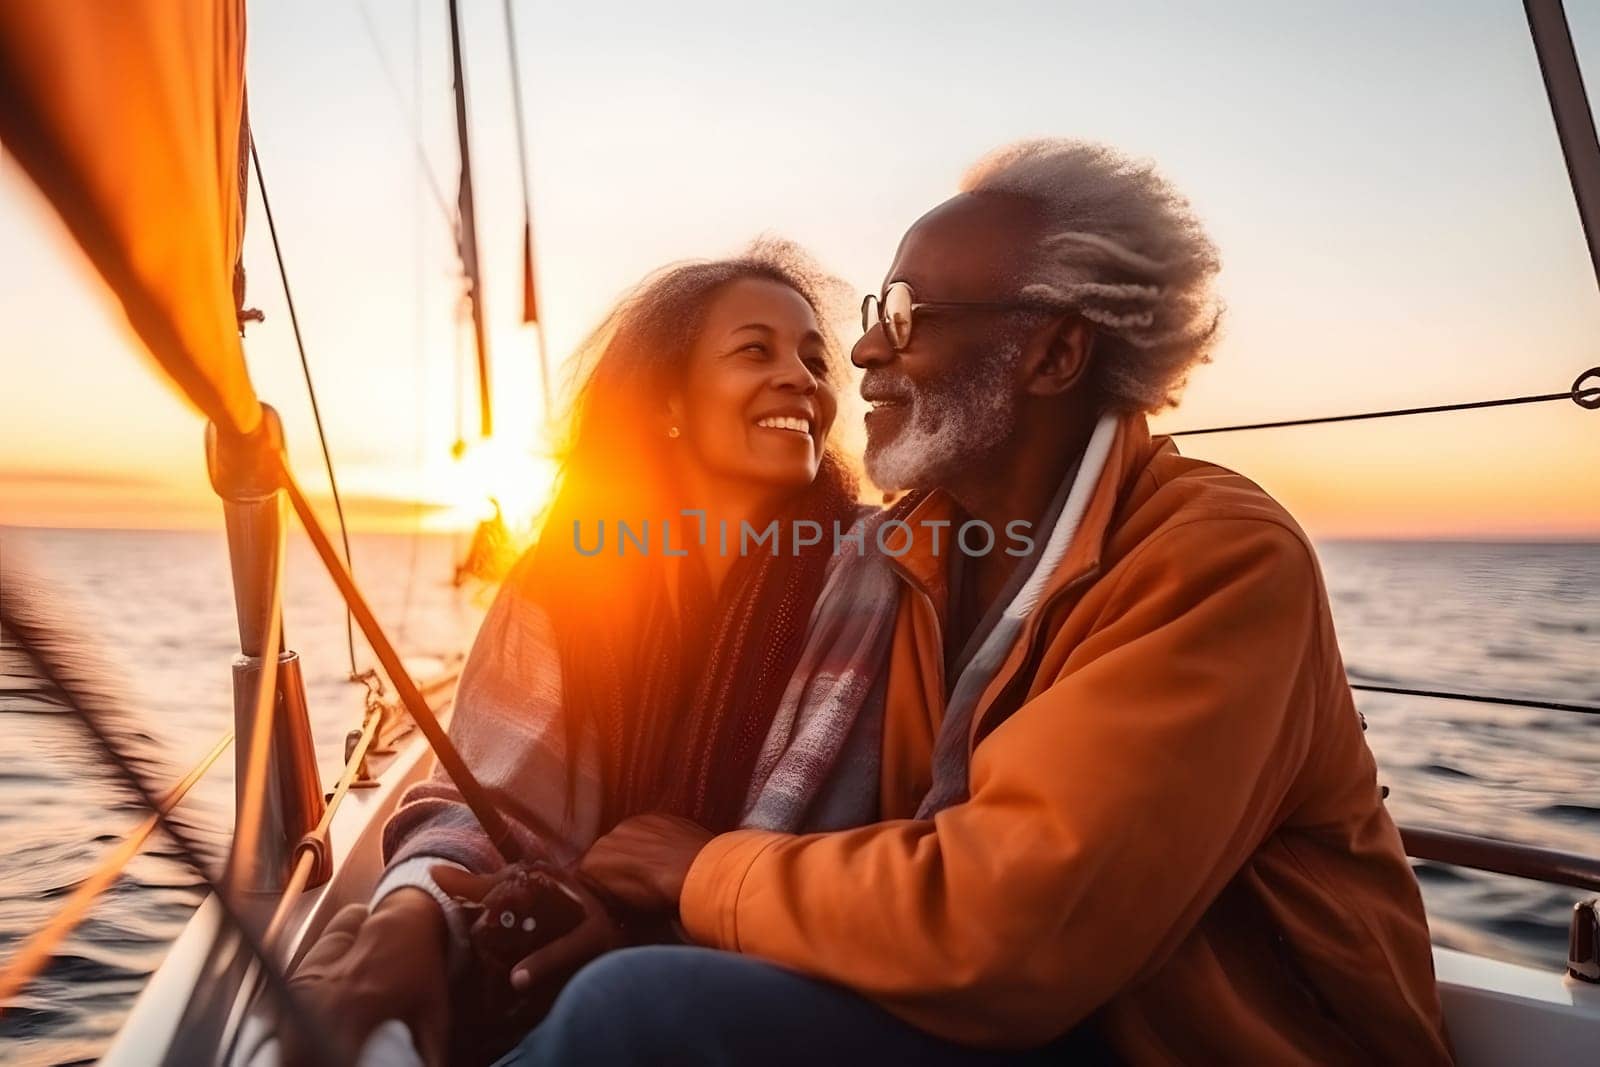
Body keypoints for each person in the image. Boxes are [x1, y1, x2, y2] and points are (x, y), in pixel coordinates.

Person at [524, 140, 1454, 1064]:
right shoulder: (900, 555)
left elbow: (1015, 928)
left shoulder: (1219, 559)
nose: (860, 349)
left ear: (1051, 353)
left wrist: (699, 872)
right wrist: (603, 901)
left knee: (638, 1009)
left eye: (904, 312)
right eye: (873, 309)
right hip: (1005, 1025)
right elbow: (820, 812)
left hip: (1165, 1042)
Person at [284, 238, 861, 1065]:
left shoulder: (875, 575)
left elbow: (858, 834)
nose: (804, 379)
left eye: (814, 359)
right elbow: (492, 796)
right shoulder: (571, 576)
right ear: (669, 399)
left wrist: (639, 921)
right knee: (349, 959)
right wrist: (413, 911)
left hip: (773, 972)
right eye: (755, 350)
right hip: (585, 941)